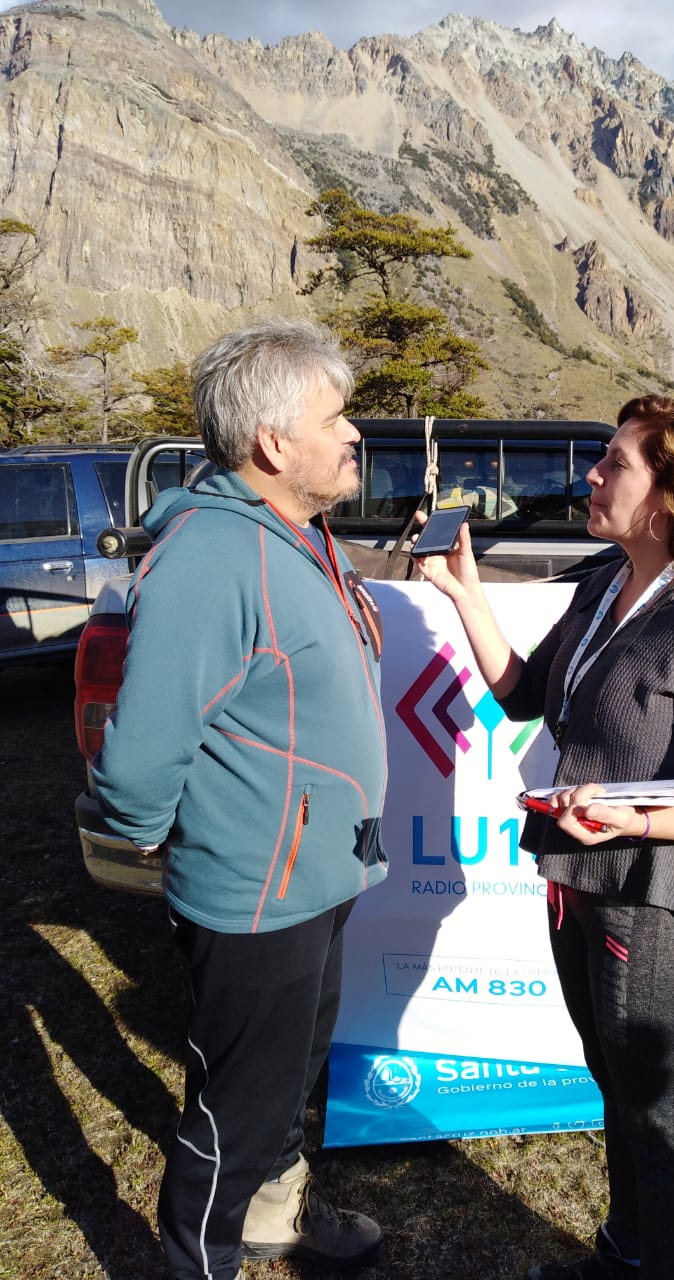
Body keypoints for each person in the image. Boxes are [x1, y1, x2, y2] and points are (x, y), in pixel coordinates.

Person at [415, 394, 674, 1280]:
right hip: (582, 886)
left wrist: (633, 819)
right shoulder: (601, 581)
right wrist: (464, 593)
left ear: (670, 493)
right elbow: (521, 695)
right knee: (615, 1091)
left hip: (656, 904)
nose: (592, 474)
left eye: (614, 463)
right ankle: (622, 1254)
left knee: (658, 1117)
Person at [93, 320, 389, 1280]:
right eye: (335, 417)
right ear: (272, 444)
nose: (353, 434)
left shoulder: (296, 535)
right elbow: (141, 749)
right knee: (238, 1101)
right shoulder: (216, 554)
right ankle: (200, 1262)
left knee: (290, 1076)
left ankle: (271, 1218)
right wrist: (142, 838)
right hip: (259, 892)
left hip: (316, 870)